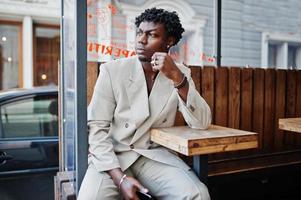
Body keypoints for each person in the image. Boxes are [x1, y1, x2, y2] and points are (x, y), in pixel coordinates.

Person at [78, 7, 212, 200]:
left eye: (152, 35)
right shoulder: (112, 71)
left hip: (152, 156)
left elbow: (201, 122)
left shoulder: (180, 73)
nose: (141, 40)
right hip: (113, 158)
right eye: (140, 32)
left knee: (197, 194)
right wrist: (120, 178)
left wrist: (177, 78)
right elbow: (96, 128)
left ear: (169, 41)